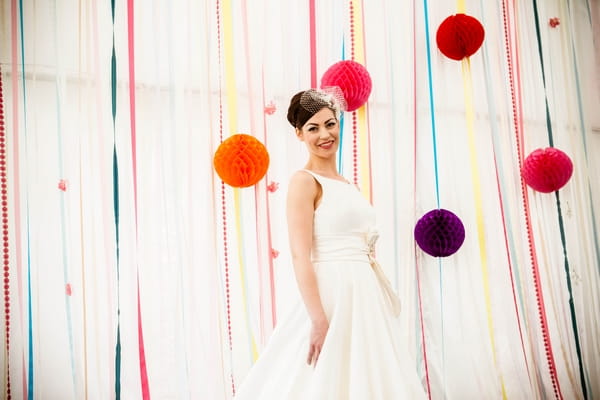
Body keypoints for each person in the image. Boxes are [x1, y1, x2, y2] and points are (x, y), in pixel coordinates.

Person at [234, 88, 427, 399]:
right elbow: (300, 256)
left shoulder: (347, 183)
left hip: (364, 293)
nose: (325, 134)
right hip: (331, 295)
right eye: (313, 128)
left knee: (365, 375)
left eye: (330, 124)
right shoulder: (304, 181)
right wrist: (318, 318)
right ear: (299, 134)